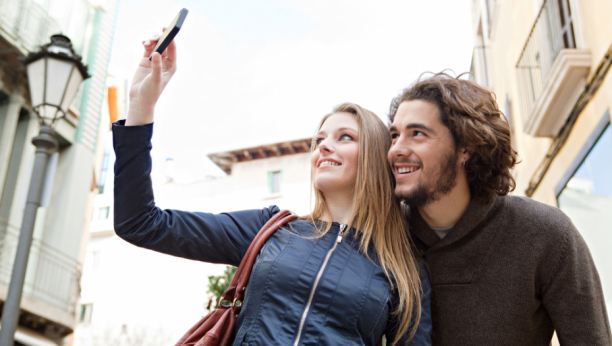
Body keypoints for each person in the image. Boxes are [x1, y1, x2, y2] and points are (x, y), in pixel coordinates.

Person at [111, 31, 432, 345]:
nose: (323, 147)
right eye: (319, 140)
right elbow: (140, 223)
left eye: (344, 137)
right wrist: (142, 107)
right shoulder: (273, 229)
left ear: (376, 156)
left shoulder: (404, 270)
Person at [387, 71, 612, 346]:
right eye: (395, 135)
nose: (396, 149)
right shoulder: (384, 238)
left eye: (417, 133)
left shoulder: (546, 234)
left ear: (465, 148)